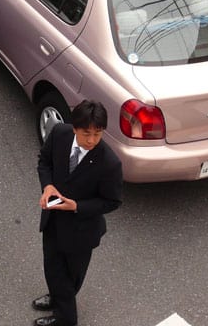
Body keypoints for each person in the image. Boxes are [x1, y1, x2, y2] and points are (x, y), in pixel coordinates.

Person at [32, 100, 123, 326]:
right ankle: (58, 299)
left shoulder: (110, 163)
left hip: (82, 231)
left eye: (97, 133)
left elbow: (112, 201)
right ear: (74, 127)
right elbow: (44, 162)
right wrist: (48, 186)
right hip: (53, 219)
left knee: (72, 276)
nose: (91, 140)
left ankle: (65, 319)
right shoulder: (59, 134)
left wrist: (77, 206)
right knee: (52, 266)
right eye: (86, 133)